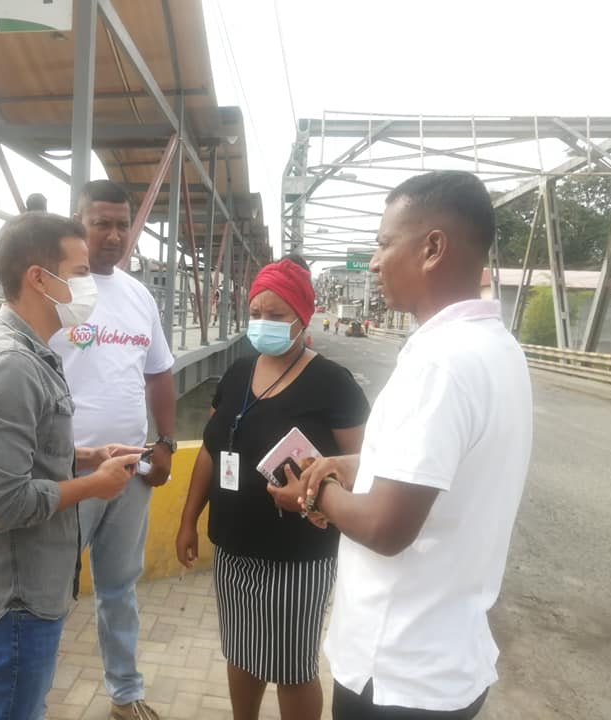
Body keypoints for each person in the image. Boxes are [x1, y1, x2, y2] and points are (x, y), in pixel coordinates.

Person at [271, 171, 533, 719]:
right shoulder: (496, 348)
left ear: (432, 248)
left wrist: (311, 494)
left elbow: (388, 528)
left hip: (395, 671)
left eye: (385, 243)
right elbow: (447, 466)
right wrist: (354, 465)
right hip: (446, 661)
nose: (373, 262)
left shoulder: (439, 363)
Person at [0, 212, 143, 720]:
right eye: (79, 273)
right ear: (39, 278)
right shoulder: (11, 366)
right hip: (16, 601)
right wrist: (93, 485)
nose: (89, 286)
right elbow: (1, 502)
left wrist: (85, 457)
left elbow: (24, 449)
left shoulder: (29, 352)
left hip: (17, 594)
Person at [176, 258, 370, 720]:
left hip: (297, 554)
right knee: (240, 652)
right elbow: (211, 449)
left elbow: (367, 466)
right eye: (256, 312)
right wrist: (188, 520)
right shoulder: (237, 373)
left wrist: (316, 494)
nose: (263, 322)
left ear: (303, 316)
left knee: (292, 667)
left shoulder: (333, 384)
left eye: (276, 315)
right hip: (232, 547)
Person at [49, 180, 176, 720]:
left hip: (130, 471)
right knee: (49, 592)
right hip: (70, 472)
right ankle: (32, 699)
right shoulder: (57, 293)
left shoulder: (138, 295)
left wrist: (165, 443)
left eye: (123, 224)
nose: (115, 234)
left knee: (120, 588)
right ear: (78, 221)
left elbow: (160, 373)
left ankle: (125, 693)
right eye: (101, 222)